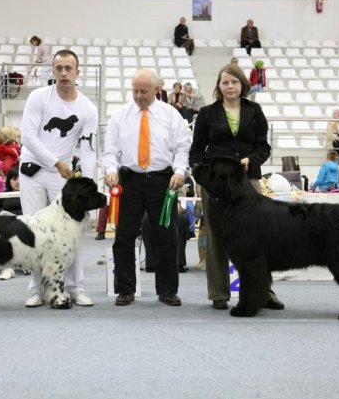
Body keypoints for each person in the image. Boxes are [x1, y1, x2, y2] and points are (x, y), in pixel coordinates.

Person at [189, 63, 283, 311]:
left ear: (242, 84)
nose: (229, 86)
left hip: (248, 180)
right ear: (218, 86)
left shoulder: (255, 110)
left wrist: (250, 160)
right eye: (225, 82)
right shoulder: (208, 113)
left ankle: (264, 292)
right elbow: (196, 151)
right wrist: (203, 177)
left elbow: (264, 147)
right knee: (217, 236)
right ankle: (219, 292)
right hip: (216, 186)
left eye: (234, 82)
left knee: (258, 239)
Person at [103, 68, 191, 307]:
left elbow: (182, 148)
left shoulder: (171, 115)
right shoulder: (120, 115)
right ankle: (125, 289)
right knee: (123, 237)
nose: (139, 96)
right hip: (128, 181)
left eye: (144, 91)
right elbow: (110, 151)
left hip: (162, 182)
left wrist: (180, 172)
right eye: (135, 91)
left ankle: (167, 290)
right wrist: (110, 170)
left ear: (156, 89)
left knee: (166, 237)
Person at [19, 49, 98, 308]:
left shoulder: (88, 108)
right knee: (34, 233)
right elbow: (28, 136)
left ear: (78, 72)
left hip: (60, 178)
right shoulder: (38, 97)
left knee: (70, 234)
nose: (64, 73)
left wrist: (88, 186)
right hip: (32, 171)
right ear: (53, 71)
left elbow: (87, 150)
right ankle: (36, 290)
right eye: (59, 68)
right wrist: (55, 162)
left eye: (69, 68)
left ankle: (76, 288)